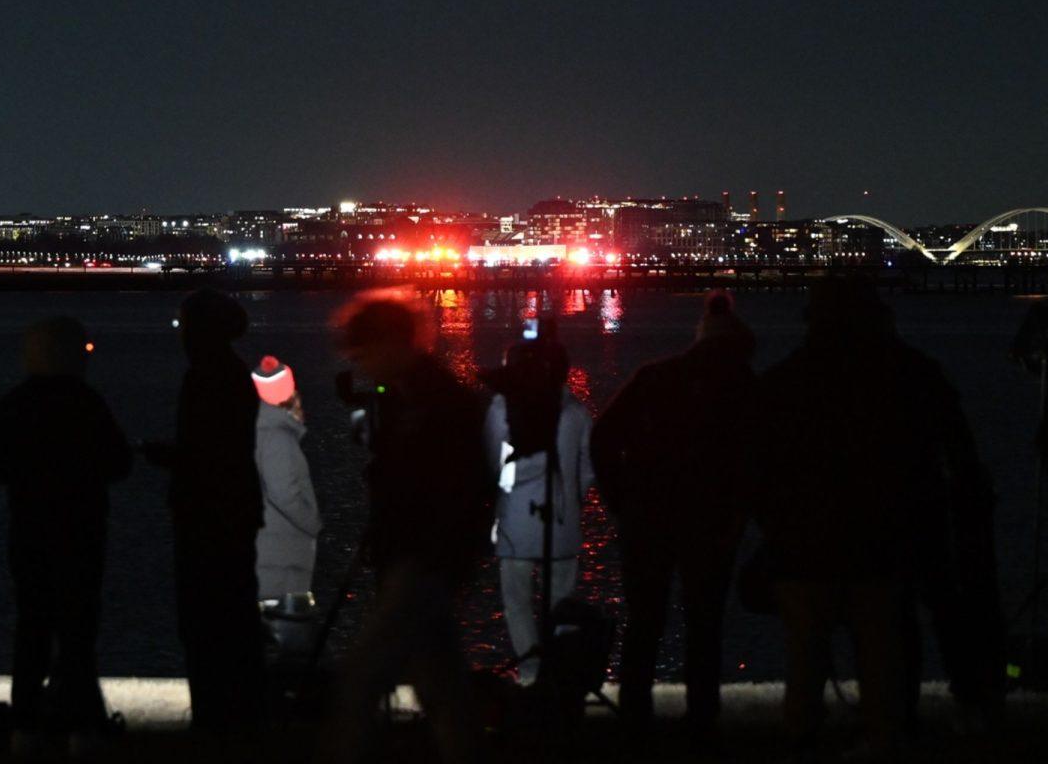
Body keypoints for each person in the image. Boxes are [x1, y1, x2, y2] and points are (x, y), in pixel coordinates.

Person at [756, 280, 1000, 761]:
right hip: (901, 526)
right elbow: (960, 450)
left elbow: (758, 463)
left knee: (810, 642)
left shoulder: (786, 380)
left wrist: (773, 522)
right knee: (894, 633)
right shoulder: (914, 372)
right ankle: (902, 723)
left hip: (811, 534)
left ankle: (803, 733)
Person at [324, 292, 493, 764]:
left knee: (360, 679)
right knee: (444, 689)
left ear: (391, 342)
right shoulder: (428, 397)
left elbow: (438, 486)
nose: (359, 363)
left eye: (363, 351)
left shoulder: (430, 404)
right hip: (430, 561)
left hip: (419, 562)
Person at [591, 291, 756, 746]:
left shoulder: (654, 376)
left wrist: (619, 501)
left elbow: (603, 438)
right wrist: (742, 515)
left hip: (646, 517)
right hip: (712, 522)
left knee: (644, 621)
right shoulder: (743, 386)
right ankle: (701, 717)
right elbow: (757, 460)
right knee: (705, 624)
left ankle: (634, 717)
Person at [0, 317, 131, 754]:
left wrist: (26, 475)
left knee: (31, 628)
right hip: (82, 532)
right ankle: (81, 726)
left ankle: (25, 725)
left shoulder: (15, 403)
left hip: (28, 530)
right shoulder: (86, 402)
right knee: (79, 633)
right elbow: (120, 464)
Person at [142, 288, 265, 735]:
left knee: (205, 618)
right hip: (233, 507)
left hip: (208, 511)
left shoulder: (207, 377)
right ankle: (240, 709)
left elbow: (209, 451)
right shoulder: (230, 373)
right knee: (234, 615)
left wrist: (169, 458)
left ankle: (216, 714)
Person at [483, 331, 594, 685]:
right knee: (559, 605)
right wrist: (573, 499)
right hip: (562, 523)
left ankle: (530, 673)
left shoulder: (502, 407)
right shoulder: (575, 409)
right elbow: (588, 467)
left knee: (517, 602)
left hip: (515, 521)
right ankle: (557, 675)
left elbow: (490, 461)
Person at [251, 356, 322, 600]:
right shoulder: (278, 438)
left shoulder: (256, 432)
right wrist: (313, 523)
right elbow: (284, 493)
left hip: (267, 560)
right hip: (280, 565)